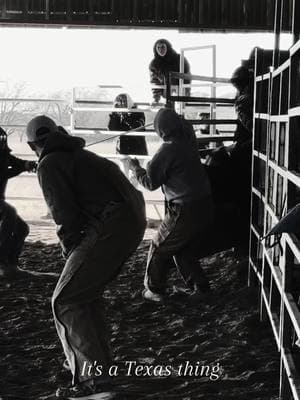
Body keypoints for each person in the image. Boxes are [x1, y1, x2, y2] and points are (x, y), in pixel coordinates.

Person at [25, 116, 146, 399]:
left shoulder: (49, 163)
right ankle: (102, 370)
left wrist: (69, 248)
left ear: (32, 145)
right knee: (86, 294)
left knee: (66, 299)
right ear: (59, 133)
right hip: (131, 220)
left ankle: (95, 383)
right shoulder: (80, 155)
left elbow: (64, 214)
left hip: (109, 223)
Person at [128, 108, 213, 304]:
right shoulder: (188, 140)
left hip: (185, 208)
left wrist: (136, 168)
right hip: (205, 203)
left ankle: (155, 289)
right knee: (183, 249)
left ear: (160, 130)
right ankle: (201, 288)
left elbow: (151, 183)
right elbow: (185, 125)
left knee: (159, 246)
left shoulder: (167, 150)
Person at [0, 127, 36, 280]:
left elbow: (17, 163)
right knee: (10, 213)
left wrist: (29, 164)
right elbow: (3, 173)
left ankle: (10, 266)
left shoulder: (3, 155)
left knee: (22, 229)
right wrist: (23, 168)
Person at [108, 93, 148, 184]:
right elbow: (111, 128)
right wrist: (114, 113)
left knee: (134, 179)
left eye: (124, 101)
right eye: (120, 102)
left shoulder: (138, 112)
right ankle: (126, 197)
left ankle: (131, 197)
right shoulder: (117, 114)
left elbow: (137, 127)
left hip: (138, 149)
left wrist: (125, 115)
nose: (122, 104)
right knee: (123, 179)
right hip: (123, 149)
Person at [149, 39, 191, 103]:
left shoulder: (180, 59)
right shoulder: (154, 64)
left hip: (180, 94)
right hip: (166, 95)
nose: (160, 50)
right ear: (155, 49)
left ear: (168, 47)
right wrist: (156, 98)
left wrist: (185, 95)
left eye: (163, 47)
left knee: (181, 109)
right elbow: (155, 81)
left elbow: (187, 77)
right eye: (158, 47)